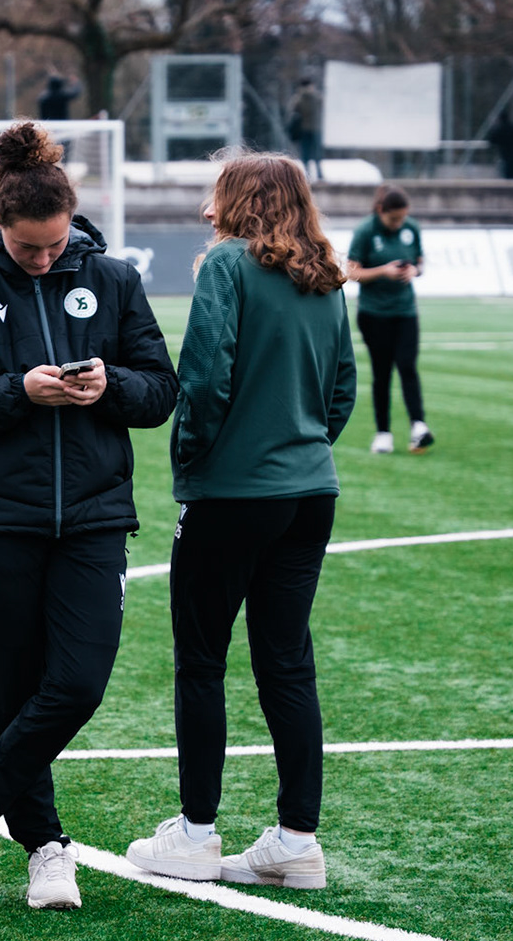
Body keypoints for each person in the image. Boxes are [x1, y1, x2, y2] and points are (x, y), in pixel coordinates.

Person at [0, 121, 177, 911]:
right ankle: (47, 849)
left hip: (95, 516)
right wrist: (16, 391)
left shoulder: (114, 280)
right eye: (30, 248)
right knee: (16, 693)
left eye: (57, 244)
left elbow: (161, 390)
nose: (45, 258)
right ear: (0, 224)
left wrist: (111, 387)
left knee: (79, 683)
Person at [124, 153, 355, 890]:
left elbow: (204, 378)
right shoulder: (325, 277)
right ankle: (296, 840)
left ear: (242, 202)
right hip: (310, 493)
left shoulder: (227, 266)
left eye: (217, 194)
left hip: (232, 494)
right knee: (287, 663)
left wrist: (195, 461)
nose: (206, 209)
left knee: (200, 661)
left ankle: (195, 835)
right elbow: (342, 391)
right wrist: (300, 449)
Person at [346, 185, 432, 454]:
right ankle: (383, 433)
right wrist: (383, 271)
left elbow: (420, 262)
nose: (399, 223)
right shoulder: (365, 231)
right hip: (374, 314)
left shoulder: (411, 228)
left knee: (408, 366)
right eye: (394, 219)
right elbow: (352, 272)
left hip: (405, 311)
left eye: (402, 218)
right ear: (380, 210)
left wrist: (414, 270)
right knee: (381, 373)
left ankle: (419, 426)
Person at [287, 77, 323, 180]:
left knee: (305, 152)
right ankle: (319, 173)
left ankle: (307, 173)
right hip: (314, 128)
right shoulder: (316, 97)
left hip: (304, 129)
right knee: (316, 152)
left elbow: (292, 111)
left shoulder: (298, 98)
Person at [486, 109, 513, 179]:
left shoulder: (499, 131)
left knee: (508, 181)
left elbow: (491, 141)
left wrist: (492, 127)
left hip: (506, 160)